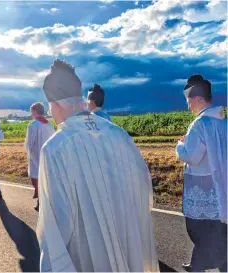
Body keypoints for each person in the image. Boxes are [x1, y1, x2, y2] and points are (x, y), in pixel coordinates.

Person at [36, 59, 159, 272]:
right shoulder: (118, 134)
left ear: (55, 105)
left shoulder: (55, 149)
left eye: (50, 109)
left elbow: (56, 225)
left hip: (88, 257)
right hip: (128, 243)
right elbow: (142, 188)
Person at [176, 75, 227, 272]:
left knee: (200, 231)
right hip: (221, 187)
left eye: (189, 101)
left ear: (198, 99)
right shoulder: (224, 123)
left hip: (203, 190)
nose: (188, 106)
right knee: (219, 232)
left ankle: (199, 265)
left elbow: (193, 157)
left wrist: (180, 146)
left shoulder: (199, 124)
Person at [24, 102, 55, 203]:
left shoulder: (33, 125)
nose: (31, 113)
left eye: (31, 111)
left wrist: (28, 154)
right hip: (48, 154)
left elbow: (29, 143)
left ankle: (40, 200)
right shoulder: (49, 124)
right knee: (46, 177)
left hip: (36, 155)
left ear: (34, 111)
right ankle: (43, 200)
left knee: (36, 177)